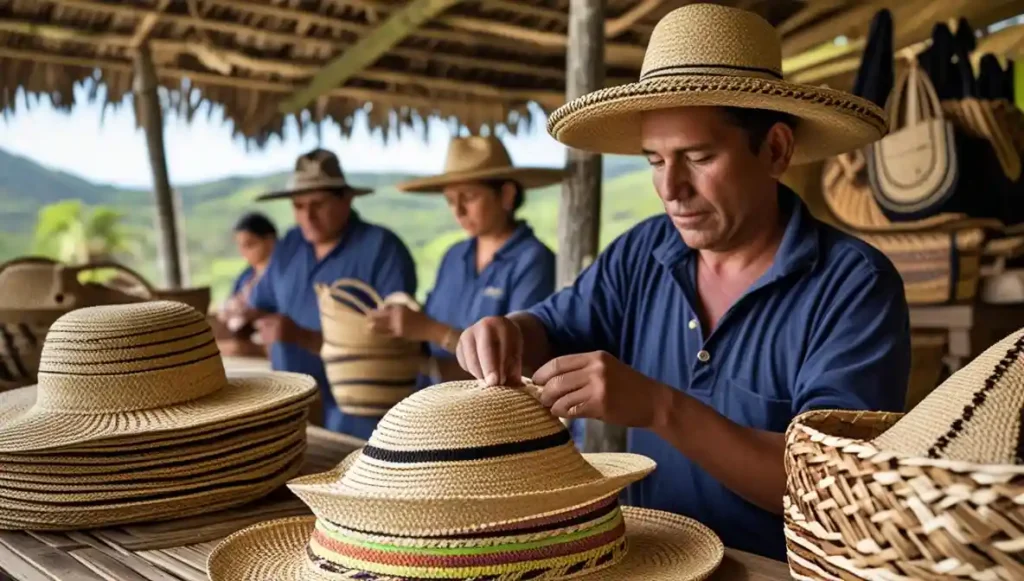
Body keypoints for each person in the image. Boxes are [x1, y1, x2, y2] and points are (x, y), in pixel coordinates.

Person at [453, 4, 910, 562]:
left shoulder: (853, 287)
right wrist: (507, 333)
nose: (671, 188)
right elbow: (551, 327)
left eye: (698, 157)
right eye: (654, 160)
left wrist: (659, 409)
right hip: (653, 562)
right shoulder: (644, 252)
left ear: (775, 150)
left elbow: (830, 488)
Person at [242, 148, 417, 439]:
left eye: (318, 204)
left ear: (346, 200)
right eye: (298, 206)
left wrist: (303, 337)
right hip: (292, 410)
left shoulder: (382, 248)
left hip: (361, 415)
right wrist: (245, 314)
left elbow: (398, 338)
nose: (307, 216)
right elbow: (261, 303)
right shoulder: (290, 246)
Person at [367, 135, 562, 388]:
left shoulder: (534, 261)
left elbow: (523, 364)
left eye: (468, 197)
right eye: (450, 200)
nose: (458, 211)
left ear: (506, 195)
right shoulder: (453, 257)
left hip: (495, 419)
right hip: (436, 406)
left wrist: (430, 330)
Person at [217, 212, 277, 335]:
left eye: (249, 244)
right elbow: (232, 300)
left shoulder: (281, 274)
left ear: (270, 241)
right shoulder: (246, 275)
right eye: (240, 245)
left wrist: (255, 314)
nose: (243, 251)